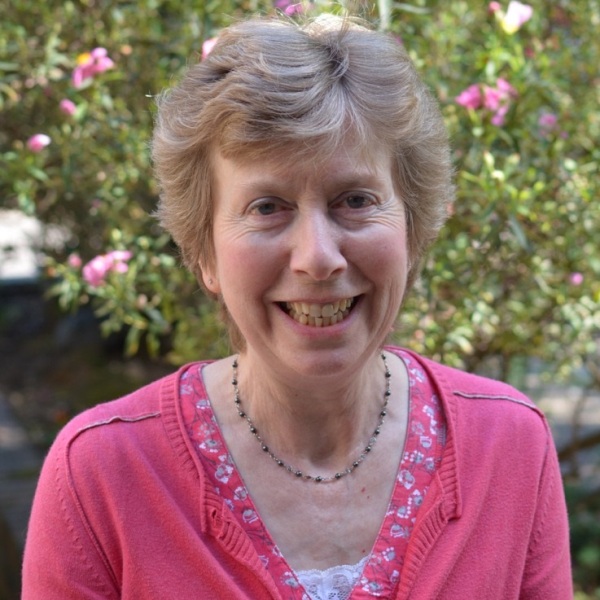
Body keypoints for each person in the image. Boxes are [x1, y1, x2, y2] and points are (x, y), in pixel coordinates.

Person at [22, 14, 572, 600]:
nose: (317, 258)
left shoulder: (510, 447)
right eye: (267, 207)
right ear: (204, 253)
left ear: (412, 232)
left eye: (354, 200)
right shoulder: (102, 478)